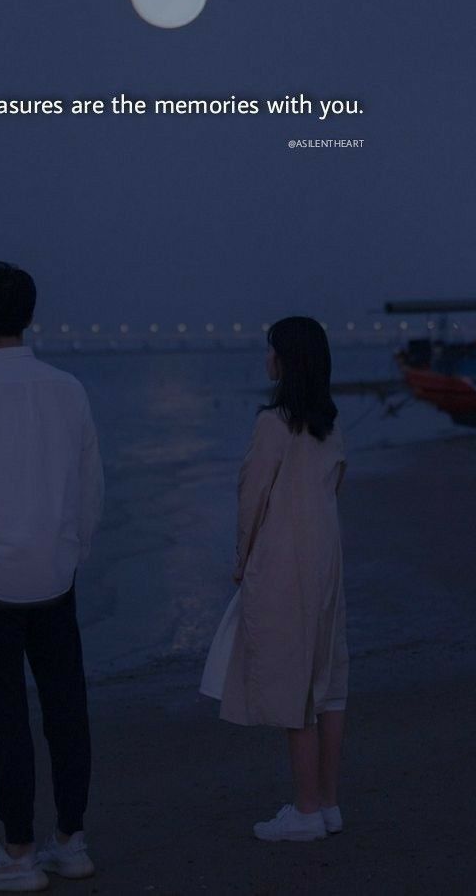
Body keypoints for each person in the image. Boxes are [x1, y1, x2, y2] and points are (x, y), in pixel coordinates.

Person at [0, 261, 104, 891]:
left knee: (4, 713)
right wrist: (75, 550)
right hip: (55, 575)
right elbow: (91, 483)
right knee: (67, 706)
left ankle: (17, 853)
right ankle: (70, 840)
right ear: (30, 315)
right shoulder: (69, 388)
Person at [200, 316, 348, 842]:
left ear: (287, 361)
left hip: (285, 563)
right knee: (327, 685)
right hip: (326, 561)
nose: (267, 358)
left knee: (294, 686)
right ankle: (327, 804)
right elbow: (334, 488)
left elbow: (251, 498)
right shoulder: (329, 425)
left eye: (272, 350)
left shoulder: (273, 424)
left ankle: (305, 810)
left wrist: (241, 560)